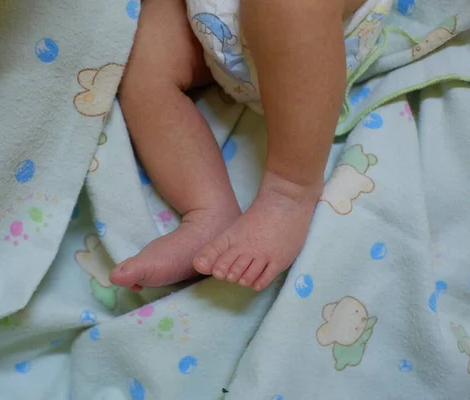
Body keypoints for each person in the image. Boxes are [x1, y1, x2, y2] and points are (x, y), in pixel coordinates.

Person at [111, 0, 375, 291]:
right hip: (208, 17)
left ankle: (289, 192)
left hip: (314, 29)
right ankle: (208, 213)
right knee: (140, 56)